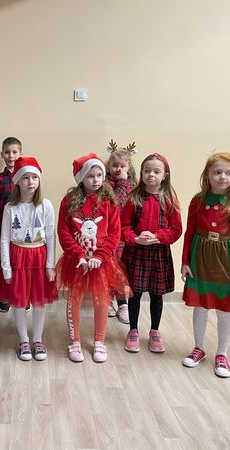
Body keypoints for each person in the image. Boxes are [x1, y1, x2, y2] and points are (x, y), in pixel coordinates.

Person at [180, 153, 230, 378]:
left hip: (227, 261)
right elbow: (189, 232)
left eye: (228, 173)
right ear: (207, 175)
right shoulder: (198, 200)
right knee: (200, 306)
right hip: (200, 256)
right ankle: (198, 348)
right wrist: (185, 262)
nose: (223, 177)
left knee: (224, 309)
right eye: (217, 172)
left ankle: (222, 353)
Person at [56, 153, 131, 363]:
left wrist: (100, 255)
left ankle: (99, 341)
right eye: (90, 176)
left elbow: (114, 234)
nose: (96, 180)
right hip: (76, 261)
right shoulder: (69, 202)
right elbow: (63, 232)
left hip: (102, 262)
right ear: (81, 178)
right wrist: (78, 254)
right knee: (74, 300)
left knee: (101, 300)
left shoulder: (109, 201)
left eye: (99, 175)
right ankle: (75, 341)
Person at [121, 153, 182, 354]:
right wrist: (135, 238)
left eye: (156, 171)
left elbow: (176, 230)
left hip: (159, 254)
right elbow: (124, 227)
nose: (151, 175)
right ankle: (133, 330)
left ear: (165, 175)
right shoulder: (133, 199)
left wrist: (158, 237)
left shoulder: (170, 200)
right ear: (141, 173)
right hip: (136, 252)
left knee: (157, 294)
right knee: (135, 294)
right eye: (147, 171)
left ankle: (155, 330)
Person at [0, 157, 57, 361]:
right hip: (18, 258)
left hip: (39, 257)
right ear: (17, 181)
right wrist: (6, 268)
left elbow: (51, 236)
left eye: (34, 177)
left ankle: (37, 339)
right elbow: (4, 238)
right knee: (19, 301)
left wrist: (50, 265)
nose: (30, 182)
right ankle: (24, 340)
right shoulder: (10, 208)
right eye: (25, 178)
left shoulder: (46, 205)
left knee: (39, 302)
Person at [104, 139, 138, 323]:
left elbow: (131, 206)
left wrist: (125, 183)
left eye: (122, 166)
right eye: (115, 165)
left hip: (125, 235)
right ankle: (107, 300)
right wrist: (121, 183)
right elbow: (114, 203)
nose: (118, 169)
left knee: (121, 269)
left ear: (128, 167)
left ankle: (122, 302)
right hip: (107, 234)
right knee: (108, 267)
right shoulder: (104, 184)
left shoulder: (133, 185)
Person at [0, 136, 23, 313]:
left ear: (20, 154)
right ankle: (5, 296)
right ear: (2, 154)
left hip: (23, 229)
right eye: (7, 152)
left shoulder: (26, 175)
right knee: (5, 261)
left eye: (14, 152)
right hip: (3, 227)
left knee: (21, 262)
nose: (11, 156)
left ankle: (21, 295)